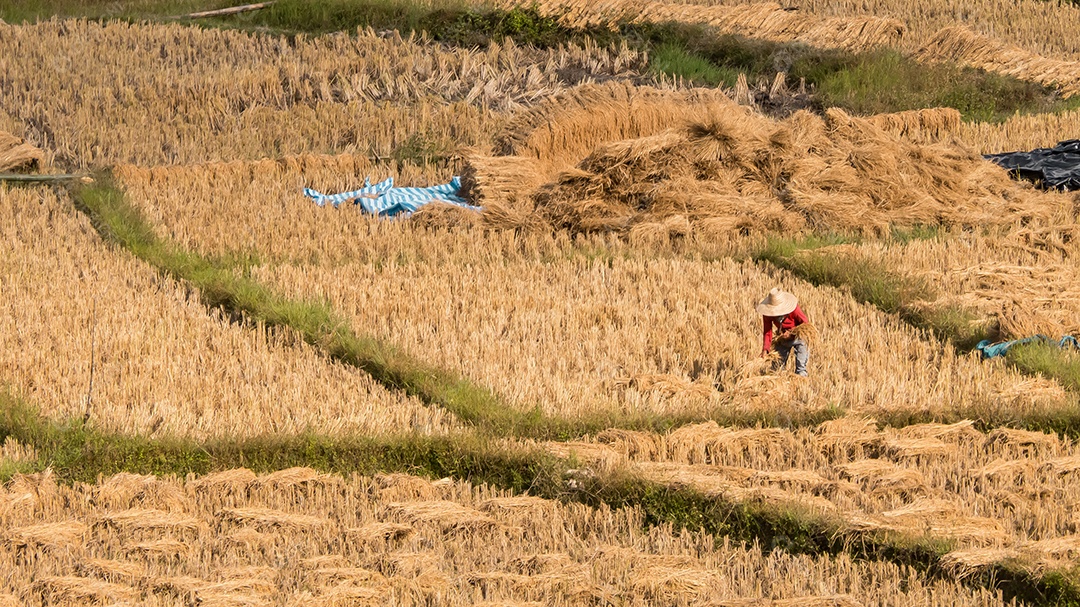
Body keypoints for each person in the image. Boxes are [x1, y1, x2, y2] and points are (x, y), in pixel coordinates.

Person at [757, 287, 809, 376]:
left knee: (801, 369)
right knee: (776, 368)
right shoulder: (768, 314)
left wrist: (792, 333)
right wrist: (765, 349)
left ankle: (801, 384)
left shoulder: (794, 309)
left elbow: (806, 324)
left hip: (799, 336)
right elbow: (767, 331)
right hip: (782, 337)